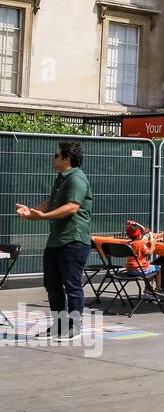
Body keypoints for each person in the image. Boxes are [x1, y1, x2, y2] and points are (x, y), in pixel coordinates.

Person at [16, 140, 94, 339]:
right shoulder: (61, 178)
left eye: (56, 155)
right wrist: (32, 213)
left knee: (72, 285)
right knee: (51, 284)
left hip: (73, 240)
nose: (54, 158)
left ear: (67, 158)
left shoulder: (77, 179)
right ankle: (59, 325)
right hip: (56, 241)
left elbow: (72, 207)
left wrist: (44, 216)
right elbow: (51, 203)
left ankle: (75, 326)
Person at [123, 220, 160, 299]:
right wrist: (153, 243)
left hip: (130, 270)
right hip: (139, 270)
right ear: (139, 235)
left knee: (149, 267)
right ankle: (158, 290)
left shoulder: (128, 244)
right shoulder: (141, 244)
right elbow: (149, 253)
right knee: (158, 269)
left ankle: (148, 289)